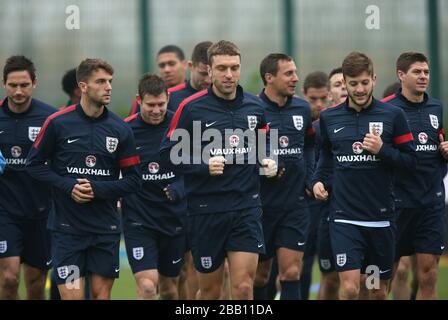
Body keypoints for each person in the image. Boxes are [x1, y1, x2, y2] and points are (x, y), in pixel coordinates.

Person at [160, 40, 277, 300]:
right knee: (210, 292)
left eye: (234, 68)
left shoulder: (255, 106)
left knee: (244, 288)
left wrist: (269, 159)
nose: (229, 74)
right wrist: (203, 165)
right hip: (206, 212)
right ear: (209, 71)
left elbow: (265, 142)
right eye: (222, 68)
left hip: (246, 208)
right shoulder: (190, 108)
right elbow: (167, 154)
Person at [26, 58, 142, 300]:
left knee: (101, 297)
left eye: (110, 81)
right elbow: (34, 165)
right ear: (83, 86)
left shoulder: (120, 129)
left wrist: (97, 189)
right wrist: (69, 186)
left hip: (105, 230)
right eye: (100, 81)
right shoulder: (58, 123)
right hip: (67, 231)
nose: (108, 87)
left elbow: (134, 181)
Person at [312, 51, 417, 300]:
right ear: (344, 83)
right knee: (349, 289)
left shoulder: (393, 116)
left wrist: (383, 150)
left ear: (374, 79)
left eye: (364, 82)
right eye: (353, 83)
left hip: (381, 219)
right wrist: (317, 181)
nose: (359, 89)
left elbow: (411, 162)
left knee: (377, 292)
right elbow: (325, 159)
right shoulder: (329, 117)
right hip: (344, 219)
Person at [384, 52, 447, 299]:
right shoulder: (387, 109)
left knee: (429, 274)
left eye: (426, 72)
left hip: (430, 203)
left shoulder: (436, 106)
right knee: (386, 275)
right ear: (401, 75)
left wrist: (443, 152)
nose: (423, 77)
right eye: (417, 72)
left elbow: (435, 144)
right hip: (397, 204)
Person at [253, 53, 314, 300]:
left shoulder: (302, 107)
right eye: (288, 73)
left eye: (295, 72)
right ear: (269, 78)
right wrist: (262, 164)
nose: (295, 78)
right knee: (259, 276)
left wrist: (310, 177)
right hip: (260, 207)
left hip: (294, 205)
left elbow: (310, 144)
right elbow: (243, 152)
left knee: (291, 272)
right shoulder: (253, 109)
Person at [122, 74, 187, 300]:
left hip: (173, 220)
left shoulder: (181, 126)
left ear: (168, 98)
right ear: (139, 100)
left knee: (170, 289)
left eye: (161, 104)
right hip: (139, 221)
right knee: (149, 287)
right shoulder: (124, 130)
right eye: (150, 105)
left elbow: (197, 168)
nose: (157, 110)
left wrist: (181, 187)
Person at [0, 55, 57, 300]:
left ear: (34, 83)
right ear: (4, 84)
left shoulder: (51, 119)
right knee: (9, 278)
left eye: (24, 84)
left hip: (41, 212)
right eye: (13, 85)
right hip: (5, 212)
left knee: (35, 285)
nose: (18, 90)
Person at [300, 71, 330, 300]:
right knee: (301, 265)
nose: (319, 104)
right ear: (304, 95)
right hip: (304, 205)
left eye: (323, 98)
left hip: (331, 205)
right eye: (313, 99)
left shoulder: (335, 123)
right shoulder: (299, 123)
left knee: (332, 272)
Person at [130, 45, 188, 115]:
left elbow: (197, 124)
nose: (166, 70)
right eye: (162, 65)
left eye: (172, 64)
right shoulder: (145, 96)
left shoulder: (195, 95)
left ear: (185, 64)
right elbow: (133, 124)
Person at [168, 41, 213, 112]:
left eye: (212, 74)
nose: (208, 80)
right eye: (203, 74)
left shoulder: (226, 97)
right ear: (190, 66)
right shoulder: (169, 97)